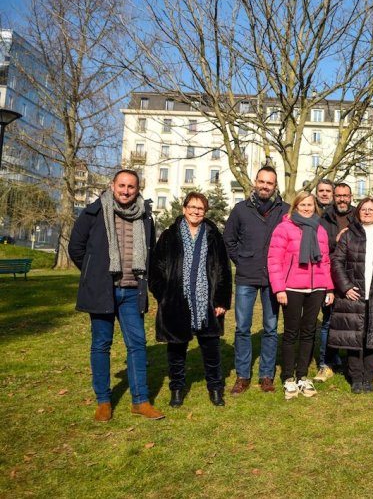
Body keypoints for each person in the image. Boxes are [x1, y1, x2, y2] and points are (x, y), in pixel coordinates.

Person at [68, 169, 163, 421]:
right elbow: (76, 248)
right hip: (102, 290)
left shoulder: (145, 215)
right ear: (112, 186)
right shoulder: (93, 212)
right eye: (121, 185)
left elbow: (150, 251)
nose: (126, 191)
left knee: (137, 345)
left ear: (137, 189)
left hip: (132, 291)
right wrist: (94, 272)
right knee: (101, 345)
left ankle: (140, 401)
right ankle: (103, 401)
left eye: (131, 187)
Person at [149, 192, 232, 408]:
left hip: (208, 303)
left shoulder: (214, 236)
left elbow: (223, 269)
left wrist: (221, 300)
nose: (196, 211)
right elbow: (156, 269)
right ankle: (176, 389)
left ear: (205, 212)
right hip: (176, 301)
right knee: (176, 350)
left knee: (211, 349)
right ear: (184, 209)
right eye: (192, 207)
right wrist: (164, 295)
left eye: (201, 208)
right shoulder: (169, 235)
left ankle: (215, 389)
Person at [223, 166, 289, 394]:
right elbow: (228, 239)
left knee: (270, 328)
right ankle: (243, 375)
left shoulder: (285, 210)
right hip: (246, 276)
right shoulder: (241, 209)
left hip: (274, 278)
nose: (264, 186)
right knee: (242, 327)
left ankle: (266, 375)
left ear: (275, 185)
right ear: (255, 182)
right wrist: (241, 261)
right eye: (261, 181)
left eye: (269, 183)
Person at [268, 191, 334, 400]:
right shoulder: (284, 228)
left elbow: (325, 262)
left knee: (308, 332)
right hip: (292, 288)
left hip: (316, 289)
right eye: (302, 205)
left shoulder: (320, 230)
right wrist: (279, 288)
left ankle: (302, 375)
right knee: (290, 333)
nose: (307, 208)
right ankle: (288, 378)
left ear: (315, 207)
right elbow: (274, 260)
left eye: (310, 205)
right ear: (295, 207)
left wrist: (329, 288)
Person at [329, 198, 373, 393]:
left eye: (371, 209)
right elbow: (337, 263)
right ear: (358, 213)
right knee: (354, 338)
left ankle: (368, 378)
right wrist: (346, 287)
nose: (367, 212)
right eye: (363, 209)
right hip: (354, 295)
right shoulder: (348, 235)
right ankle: (356, 378)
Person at [314, 182, 354, 382]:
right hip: (330, 276)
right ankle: (326, 362)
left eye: (345, 195)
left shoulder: (358, 216)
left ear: (351, 196)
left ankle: (352, 360)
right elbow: (318, 248)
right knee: (329, 320)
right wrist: (336, 241)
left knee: (353, 321)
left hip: (355, 277)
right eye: (338, 195)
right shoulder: (323, 218)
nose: (342, 199)